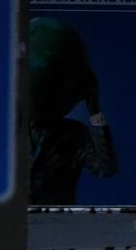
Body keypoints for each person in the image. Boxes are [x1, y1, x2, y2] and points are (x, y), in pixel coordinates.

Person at [29, 17, 117, 205]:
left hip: (57, 225)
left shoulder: (74, 135)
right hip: (12, 226)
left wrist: (94, 109)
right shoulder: (3, 136)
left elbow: (105, 168)